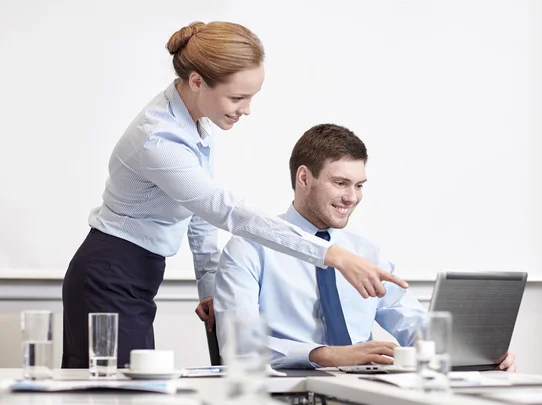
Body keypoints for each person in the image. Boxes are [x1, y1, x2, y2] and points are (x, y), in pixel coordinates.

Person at [61, 21, 408, 369]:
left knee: (130, 388)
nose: (246, 109)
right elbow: (226, 211)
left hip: (135, 272)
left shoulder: (194, 122)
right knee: (113, 391)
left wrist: (207, 285)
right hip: (110, 271)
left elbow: (195, 211)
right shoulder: (160, 139)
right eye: (237, 97)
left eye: (251, 97)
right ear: (197, 81)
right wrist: (333, 254)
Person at [214, 123, 516, 371]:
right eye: (341, 183)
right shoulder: (249, 248)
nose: (352, 197)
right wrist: (326, 354)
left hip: (365, 389)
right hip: (285, 391)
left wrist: (471, 352)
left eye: (359, 186)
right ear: (304, 177)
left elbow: (408, 319)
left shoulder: (366, 253)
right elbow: (240, 348)